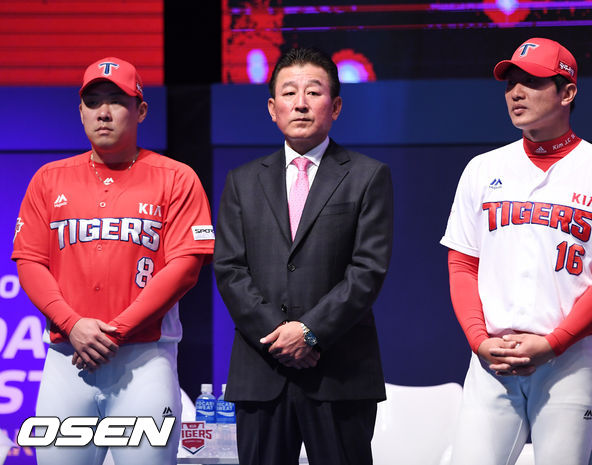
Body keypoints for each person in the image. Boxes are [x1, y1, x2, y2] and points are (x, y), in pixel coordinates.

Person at [440, 37, 592, 465]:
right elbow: (462, 263)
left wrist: (555, 342)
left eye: (532, 82)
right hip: (493, 361)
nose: (516, 93)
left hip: (569, 361)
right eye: (510, 83)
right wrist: (478, 340)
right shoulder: (482, 169)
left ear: (567, 92)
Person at [12, 57, 215, 465]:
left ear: (141, 110)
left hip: (145, 360)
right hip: (66, 361)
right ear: (80, 111)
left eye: (117, 101)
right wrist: (72, 324)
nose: (103, 112)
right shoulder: (49, 179)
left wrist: (115, 332)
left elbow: (185, 268)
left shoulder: (177, 177)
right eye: (93, 102)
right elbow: (29, 261)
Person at [213, 47, 393, 465]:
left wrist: (309, 332)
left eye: (313, 92)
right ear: (272, 108)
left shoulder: (367, 176)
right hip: (262, 370)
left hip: (339, 371)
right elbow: (229, 269)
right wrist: (280, 334)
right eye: (289, 93)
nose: (300, 103)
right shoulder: (242, 181)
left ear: (336, 106)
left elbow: (367, 270)